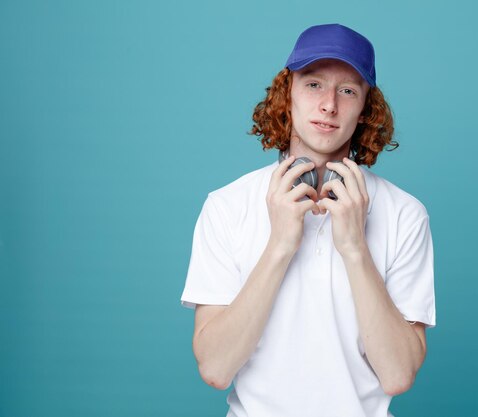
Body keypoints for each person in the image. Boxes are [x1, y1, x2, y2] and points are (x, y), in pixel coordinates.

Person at [181, 23, 436, 417]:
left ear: (366, 109)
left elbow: (398, 376)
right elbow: (215, 368)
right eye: (314, 84)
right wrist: (280, 245)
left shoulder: (405, 213)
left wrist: (354, 248)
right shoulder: (226, 206)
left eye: (348, 90)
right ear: (288, 95)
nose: (329, 105)